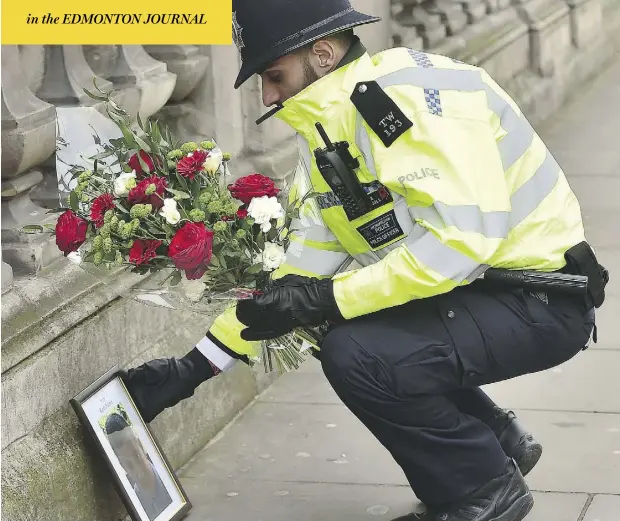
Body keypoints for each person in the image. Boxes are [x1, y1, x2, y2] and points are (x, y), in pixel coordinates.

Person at [121, 1, 609, 520]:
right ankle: (496, 440)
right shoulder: (334, 125)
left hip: (542, 300)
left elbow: (460, 244)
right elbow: (304, 266)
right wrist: (195, 366)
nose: (267, 95)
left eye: (272, 75)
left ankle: (482, 491)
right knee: (326, 323)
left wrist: (327, 298)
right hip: (492, 292)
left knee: (356, 351)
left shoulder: (406, 101)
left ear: (323, 54)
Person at [105, 412, 172, 520]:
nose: (139, 472)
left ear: (141, 446)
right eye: (129, 465)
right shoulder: (135, 502)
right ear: (122, 466)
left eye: (137, 456)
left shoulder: (170, 483)